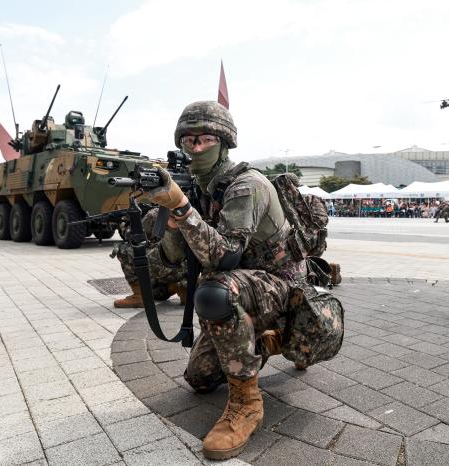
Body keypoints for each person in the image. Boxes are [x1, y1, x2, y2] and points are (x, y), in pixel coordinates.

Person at [148, 101, 328, 460]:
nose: (195, 148)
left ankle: (246, 405)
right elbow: (165, 265)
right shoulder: (197, 188)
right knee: (199, 380)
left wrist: (182, 208)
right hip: (248, 286)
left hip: (282, 284)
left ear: (224, 143)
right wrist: (169, 219)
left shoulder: (247, 185)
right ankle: (260, 340)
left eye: (204, 139)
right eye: (188, 141)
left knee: (214, 293)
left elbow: (223, 256)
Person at [111, 207, 188, 308]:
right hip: (186, 269)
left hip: (167, 267)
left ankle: (139, 296)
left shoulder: (155, 213)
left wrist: (123, 225)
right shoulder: (188, 211)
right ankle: (180, 287)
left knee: (122, 250)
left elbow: (134, 238)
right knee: (156, 293)